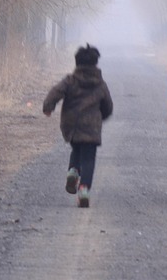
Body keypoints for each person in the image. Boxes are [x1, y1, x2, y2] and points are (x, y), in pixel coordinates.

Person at [43, 44, 114, 208]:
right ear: (96, 63)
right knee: (89, 158)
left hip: (72, 124)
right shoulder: (100, 84)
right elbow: (108, 106)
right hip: (91, 127)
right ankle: (84, 189)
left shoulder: (70, 80)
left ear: (76, 62)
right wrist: (102, 116)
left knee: (76, 149)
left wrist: (48, 107)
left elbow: (55, 92)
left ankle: (73, 171)